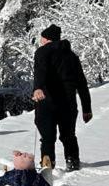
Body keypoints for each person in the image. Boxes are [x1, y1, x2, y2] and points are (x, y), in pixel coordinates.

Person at [32, 24, 92, 171]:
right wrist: (87, 109)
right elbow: (82, 84)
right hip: (68, 104)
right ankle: (73, 162)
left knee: (47, 137)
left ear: (47, 39)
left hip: (47, 102)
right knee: (69, 135)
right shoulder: (72, 56)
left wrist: (38, 87)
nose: (40, 41)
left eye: (42, 38)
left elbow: (40, 70)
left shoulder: (42, 52)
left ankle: (47, 166)